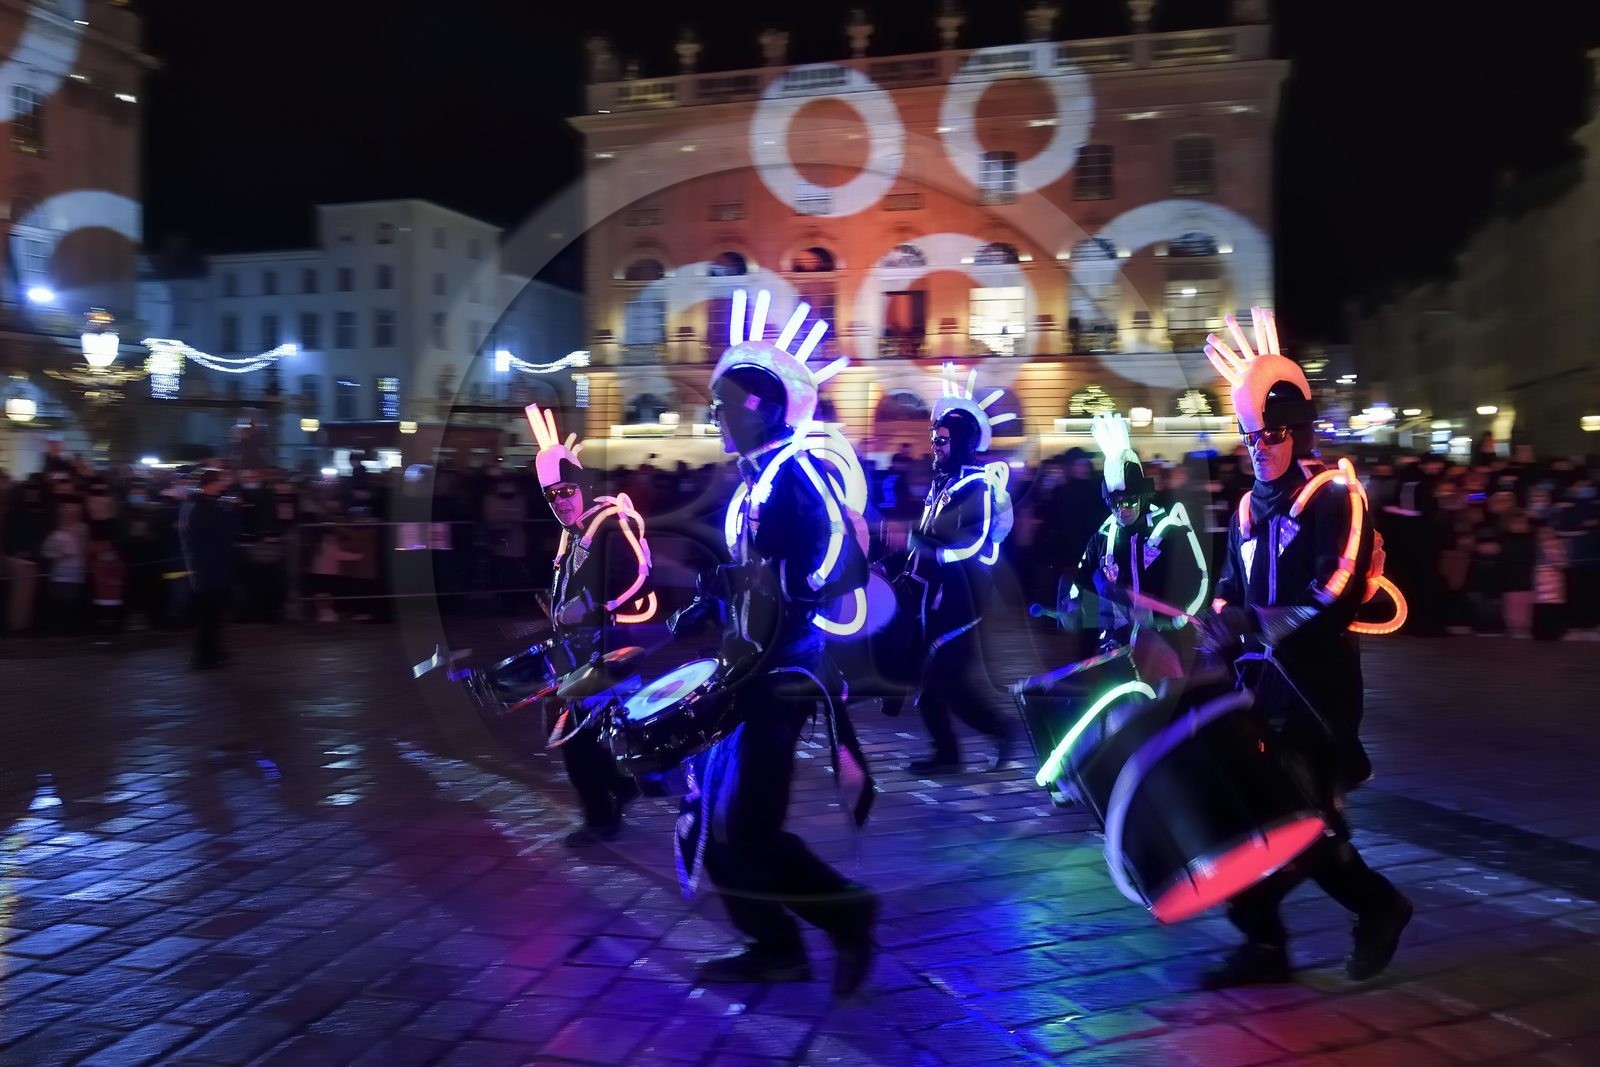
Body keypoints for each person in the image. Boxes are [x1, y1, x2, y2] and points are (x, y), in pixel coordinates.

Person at [1193, 308, 1412, 989]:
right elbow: (1228, 588)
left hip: (1318, 687)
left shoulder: (1334, 494)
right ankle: (1271, 939)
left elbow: (1337, 588)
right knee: (1259, 815)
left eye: (1274, 432)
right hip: (1260, 686)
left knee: (1301, 823)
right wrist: (1219, 620)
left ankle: (1370, 909)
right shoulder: (1244, 509)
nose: (1261, 446)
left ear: (1299, 426)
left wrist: (1256, 620)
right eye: (1251, 435)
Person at [671, 293, 877, 995]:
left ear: (760, 403)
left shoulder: (798, 472)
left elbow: (838, 561)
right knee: (719, 819)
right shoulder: (754, 482)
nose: (714, 415)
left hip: (783, 673)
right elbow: (749, 570)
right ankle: (773, 945)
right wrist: (714, 596)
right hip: (747, 668)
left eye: (722, 401)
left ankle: (846, 915)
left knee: (747, 826)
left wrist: (791, 593)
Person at [523, 403, 655, 847]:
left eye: (566, 491)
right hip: (576, 654)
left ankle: (603, 816)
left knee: (575, 739)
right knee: (577, 735)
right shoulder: (574, 530)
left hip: (606, 650)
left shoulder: (609, 521)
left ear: (581, 485)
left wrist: (592, 605)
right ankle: (620, 790)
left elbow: (638, 575)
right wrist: (557, 605)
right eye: (551, 495)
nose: (560, 501)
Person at [896, 364, 1018, 774]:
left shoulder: (977, 485)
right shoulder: (942, 485)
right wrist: (904, 557)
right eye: (934, 438)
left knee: (944, 684)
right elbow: (927, 535)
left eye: (943, 439)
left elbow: (976, 543)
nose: (935, 445)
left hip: (962, 600)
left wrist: (929, 554)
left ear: (964, 441)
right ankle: (951, 753)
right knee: (938, 684)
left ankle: (998, 732)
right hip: (933, 597)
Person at [1065, 413, 1208, 684]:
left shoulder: (1169, 532)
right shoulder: (1102, 538)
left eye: (1129, 501)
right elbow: (1080, 580)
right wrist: (1071, 604)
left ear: (1142, 496)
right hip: (1116, 650)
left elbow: (1197, 584)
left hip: (1166, 644)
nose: (1122, 510)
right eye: (1115, 503)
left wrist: (1160, 617)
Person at [179, 469, 238, 669]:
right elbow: (219, 533)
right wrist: (230, 514)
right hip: (207, 565)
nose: (223, 485)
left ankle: (212, 652)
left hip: (208, 564)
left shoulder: (197, 504)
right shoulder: (203, 507)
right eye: (219, 481)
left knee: (213, 613)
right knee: (208, 614)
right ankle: (202, 656)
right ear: (210, 484)